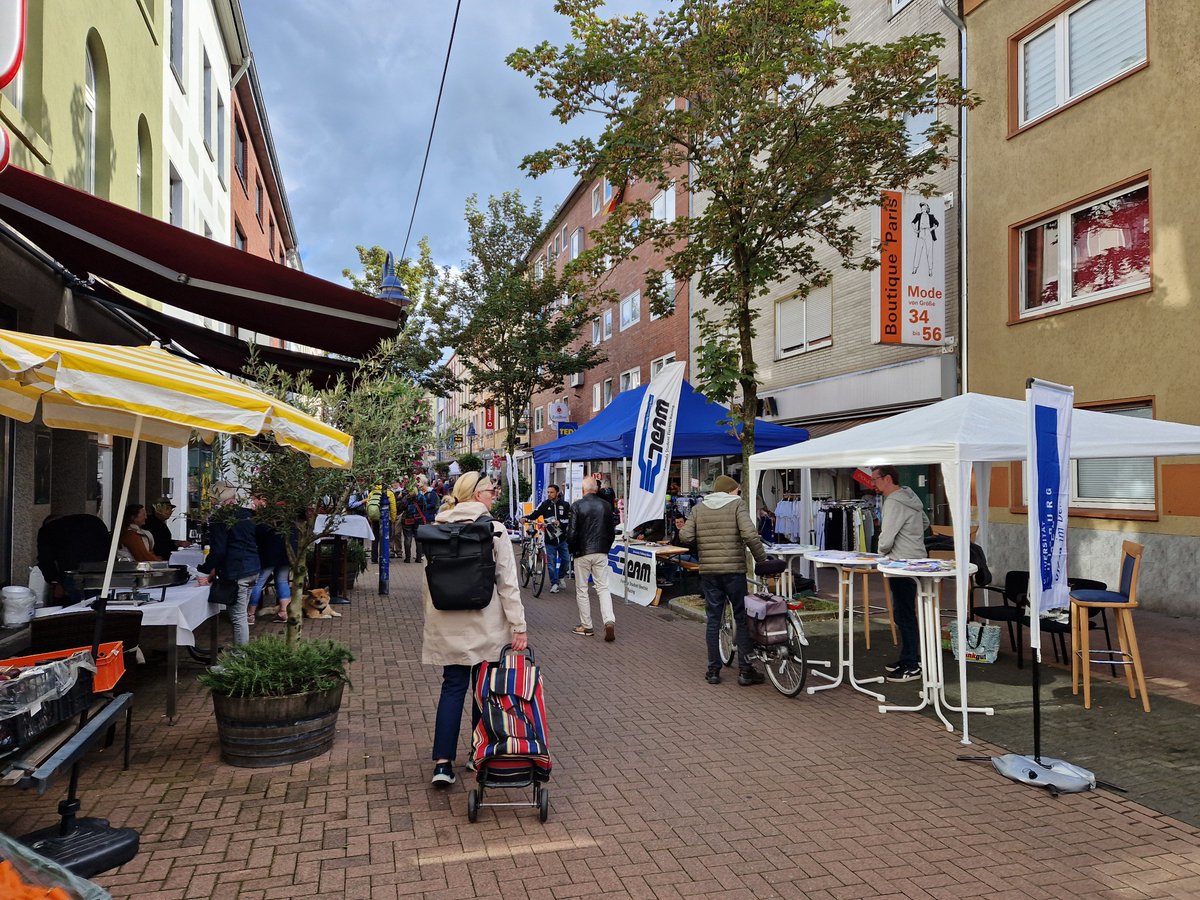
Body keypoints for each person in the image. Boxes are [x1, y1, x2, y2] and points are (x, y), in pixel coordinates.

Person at [422, 471, 527, 787]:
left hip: (448, 622)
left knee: (452, 688)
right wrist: (518, 626)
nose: (495, 495)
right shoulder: (493, 531)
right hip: (485, 623)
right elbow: (507, 584)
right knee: (485, 691)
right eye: (492, 490)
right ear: (477, 495)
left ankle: (443, 764)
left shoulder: (438, 528)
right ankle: (477, 753)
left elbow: (428, 584)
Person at [675, 475, 767, 686]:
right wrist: (761, 560)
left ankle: (713, 670)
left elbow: (686, 537)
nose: (738, 493)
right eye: (737, 490)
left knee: (713, 620)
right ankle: (745, 671)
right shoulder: (737, 505)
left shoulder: (699, 508)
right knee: (741, 618)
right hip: (734, 571)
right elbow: (751, 535)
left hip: (709, 572)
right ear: (731, 490)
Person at [872, 465, 930, 683]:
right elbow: (925, 523)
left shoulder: (894, 501)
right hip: (914, 559)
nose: (873, 484)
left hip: (901, 562)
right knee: (905, 611)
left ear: (887, 479)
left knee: (903, 613)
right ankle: (911, 656)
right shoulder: (909, 496)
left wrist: (880, 554)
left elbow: (886, 538)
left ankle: (911, 664)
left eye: (875, 479)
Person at [199, 506, 261, 647]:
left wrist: (205, 569)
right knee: (241, 616)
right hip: (253, 567)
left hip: (237, 571)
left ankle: (239, 659)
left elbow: (219, 550)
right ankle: (240, 657)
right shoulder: (249, 515)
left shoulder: (221, 518)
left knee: (238, 618)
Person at [565, 478, 617, 641]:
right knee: (603, 587)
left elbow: (572, 532)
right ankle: (609, 620)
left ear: (583, 489)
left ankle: (586, 625)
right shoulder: (606, 506)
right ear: (596, 489)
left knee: (582, 589)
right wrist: (605, 548)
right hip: (601, 550)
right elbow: (611, 532)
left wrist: (573, 549)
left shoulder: (577, 505)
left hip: (583, 551)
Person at [249, 519, 294, 625]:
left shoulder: (267, 518)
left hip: (269, 553)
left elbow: (258, 534)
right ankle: (284, 612)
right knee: (283, 581)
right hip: (286, 553)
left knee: (259, 582)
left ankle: (250, 614)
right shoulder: (291, 519)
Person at [529, 484, 572, 593]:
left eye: (551, 492)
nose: (549, 494)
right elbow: (535, 514)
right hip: (550, 539)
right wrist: (525, 518)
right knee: (551, 563)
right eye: (548, 492)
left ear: (557, 493)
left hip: (562, 539)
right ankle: (554, 583)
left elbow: (570, 520)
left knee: (566, 560)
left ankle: (561, 576)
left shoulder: (565, 505)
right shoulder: (544, 504)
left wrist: (560, 522)